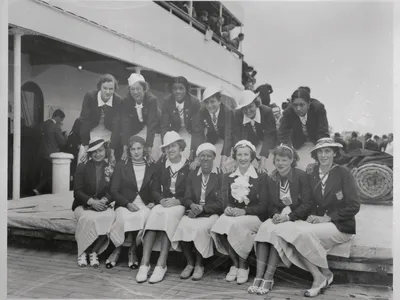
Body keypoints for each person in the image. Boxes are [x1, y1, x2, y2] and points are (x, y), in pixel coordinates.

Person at [265, 138, 360, 297]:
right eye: (320, 152)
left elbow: (354, 205)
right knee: (289, 231)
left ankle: (321, 277)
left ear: (334, 153)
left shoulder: (343, 173)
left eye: (327, 151)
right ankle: (322, 274)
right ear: (316, 155)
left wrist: (329, 217)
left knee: (300, 234)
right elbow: (308, 201)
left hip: (340, 225)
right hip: (317, 223)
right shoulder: (312, 172)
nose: (323, 155)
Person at [249, 145, 312, 295]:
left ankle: (268, 277)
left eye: (284, 160)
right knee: (265, 229)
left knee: (277, 233)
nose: (280, 163)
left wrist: (288, 217)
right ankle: (258, 277)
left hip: (296, 217)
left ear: (291, 160)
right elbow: (269, 204)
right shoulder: (271, 178)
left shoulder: (301, 176)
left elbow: (308, 203)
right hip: (278, 217)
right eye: (277, 160)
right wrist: (276, 214)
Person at [211, 140, 268, 285]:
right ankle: (235, 263)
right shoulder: (228, 177)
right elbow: (226, 201)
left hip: (255, 216)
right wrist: (228, 208)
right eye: (239, 155)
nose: (242, 158)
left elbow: (265, 205)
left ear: (252, 156)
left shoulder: (260, 176)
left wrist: (245, 211)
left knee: (237, 225)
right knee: (220, 224)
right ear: (235, 157)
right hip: (236, 215)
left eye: (246, 155)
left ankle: (243, 265)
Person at [136, 131, 190, 284]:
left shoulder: (189, 166)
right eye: (167, 148)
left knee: (168, 216)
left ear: (180, 147)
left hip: (180, 205)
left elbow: (192, 193)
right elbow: (154, 189)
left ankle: (161, 263)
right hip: (164, 202)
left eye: (173, 146)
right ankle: (144, 263)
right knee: (155, 214)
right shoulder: (160, 166)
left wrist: (178, 201)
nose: (170, 150)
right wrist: (161, 200)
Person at [172, 143, 224, 281]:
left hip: (211, 213)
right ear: (198, 158)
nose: (205, 159)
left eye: (208, 156)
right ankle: (189, 263)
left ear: (214, 157)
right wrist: (192, 204)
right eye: (202, 156)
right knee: (183, 225)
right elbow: (187, 197)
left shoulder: (220, 175)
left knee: (200, 229)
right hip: (194, 210)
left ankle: (199, 265)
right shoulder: (192, 174)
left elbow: (221, 203)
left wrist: (203, 208)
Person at [106, 135, 158, 269]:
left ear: (144, 149)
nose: (136, 152)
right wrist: (127, 204)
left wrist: (153, 202)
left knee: (143, 217)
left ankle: (132, 250)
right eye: (133, 149)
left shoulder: (151, 166)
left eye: (139, 148)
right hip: (125, 203)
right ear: (129, 150)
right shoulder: (121, 165)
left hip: (144, 204)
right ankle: (117, 249)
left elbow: (155, 188)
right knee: (123, 218)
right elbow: (114, 190)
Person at [72, 138, 115, 268]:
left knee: (110, 217)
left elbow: (114, 190)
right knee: (87, 218)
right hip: (83, 204)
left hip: (102, 205)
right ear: (90, 154)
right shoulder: (82, 166)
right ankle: (82, 252)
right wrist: (91, 202)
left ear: (105, 151)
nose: (98, 154)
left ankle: (94, 252)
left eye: (100, 151)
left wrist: (104, 200)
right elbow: (77, 192)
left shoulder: (110, 167)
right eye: (94, 152)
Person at [278, 87, 329, 170]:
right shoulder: (288, 112)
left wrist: (320, 153)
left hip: (316, 142)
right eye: (295, 105)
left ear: (309, 104)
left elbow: (323, 132)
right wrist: (289, 151)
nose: (298, 108)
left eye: (302, 105)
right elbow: (283, 134)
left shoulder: (318, 109)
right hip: (298, 143)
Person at [78, 74, 123, 166]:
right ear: (99, 87)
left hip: (109, 133)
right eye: (105, 88)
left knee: (109, 162)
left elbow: (117, 127)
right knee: (84, 158)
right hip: (91, 131)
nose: (108, 92)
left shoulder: (118, 101)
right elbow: (84, 121)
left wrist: (112, 150)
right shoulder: (90, 96)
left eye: (111, 89)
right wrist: (86, 147)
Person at [191, 87, 235, 172]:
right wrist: (197, 157)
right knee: (206, 160)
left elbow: (228, 136)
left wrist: (223, 159)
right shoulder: (202, 112)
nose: (209, 106)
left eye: (212, 101)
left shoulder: (228, 112)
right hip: (214, 139)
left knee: (224, 165)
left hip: (231, 141)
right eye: (207, 102)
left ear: (219, 101)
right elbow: (198, 135)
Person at [233, 90, 277, 174]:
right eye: (244, 108)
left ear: (256, 104)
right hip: (248, 143)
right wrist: (237, 159)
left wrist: (263, 160)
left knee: (267, 167)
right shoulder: (237, 114)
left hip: (266, 143)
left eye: (250, 107)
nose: (248, 111)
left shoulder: (267, 112)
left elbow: (269, 136)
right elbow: (237, 137)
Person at [121, 73, 161, 163]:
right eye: (132, 89)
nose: (135, 92)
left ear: (144, 89)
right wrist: (125, 147)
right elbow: (125, 124)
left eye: (138, 89)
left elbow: (152, 124)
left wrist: (149, 147)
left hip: (156, 129)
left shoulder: (151, 100)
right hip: (140, 129)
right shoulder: (126, 101)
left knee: (152, 153)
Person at [161, 76, 200, 162]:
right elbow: (164, 126)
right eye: (175, 89)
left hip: (190, 133)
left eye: (181, 88)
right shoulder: (167, 101)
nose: (178, 91)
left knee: (186, 154)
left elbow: (196, 130)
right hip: (175, 132)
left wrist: (193, 150)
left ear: (186, 89)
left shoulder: (194, 102)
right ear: (171, 90)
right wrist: (165, 146)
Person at [33, 109, 68, 195]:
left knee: (45, 173)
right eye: (61, 120)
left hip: (41, 153)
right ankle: (38, 189)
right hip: (51, 154)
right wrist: (65, 135)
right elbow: (62, 142)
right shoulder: (56, 126)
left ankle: (39, 190)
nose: (61, 122)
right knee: (51, 174)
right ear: (58, 117)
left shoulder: (43, 124)